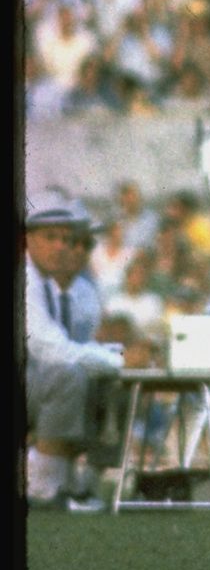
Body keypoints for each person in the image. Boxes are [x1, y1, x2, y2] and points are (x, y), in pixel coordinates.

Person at [23, 189, 127, 510]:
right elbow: (48, 349)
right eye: (50, 237)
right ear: (29, 239)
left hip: (33, 382)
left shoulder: (79, 289)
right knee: (67, 376)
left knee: (112, 384)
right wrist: (116, 361)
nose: (63, 247)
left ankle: (82, 483)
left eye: (68, 240)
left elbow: (83, 346)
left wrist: (121, 360)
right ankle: (42, 487)